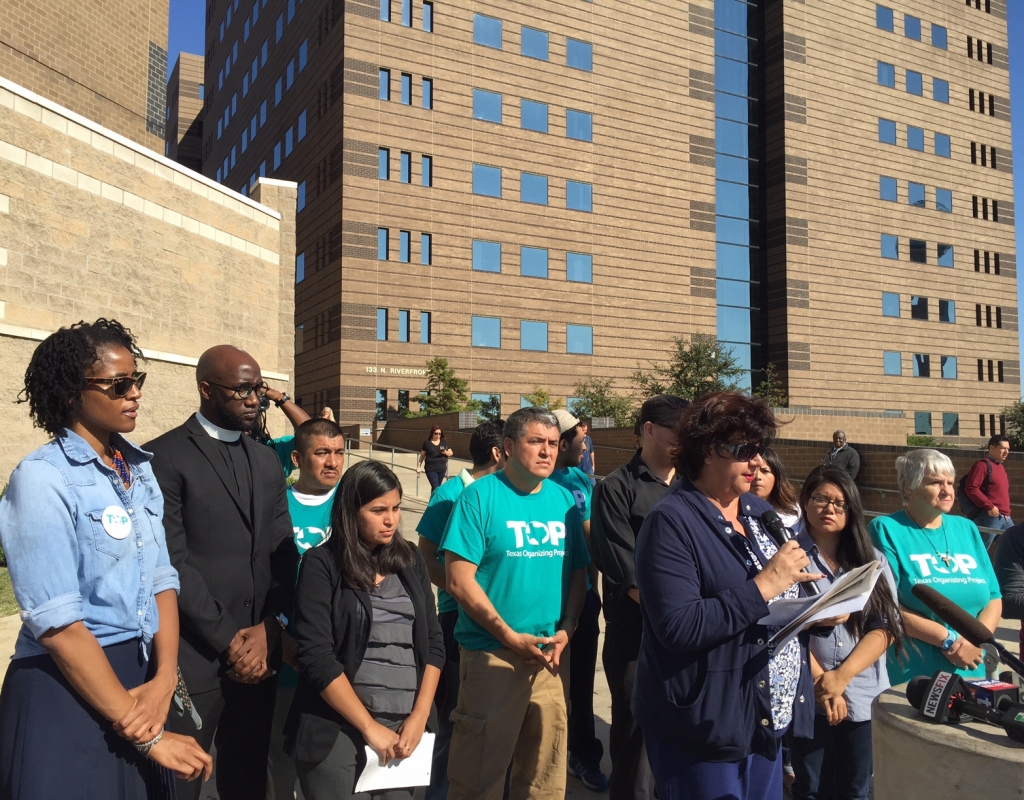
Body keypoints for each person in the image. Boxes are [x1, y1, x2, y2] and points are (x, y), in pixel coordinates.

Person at [0, 319, 212, 798]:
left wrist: (162, 678)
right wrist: (151, 736)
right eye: (119, 384)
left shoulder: (138, 472)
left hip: (141, 683)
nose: (134, 393)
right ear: (72, 392)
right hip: (66, 690)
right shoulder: (41, 479)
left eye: (137, 380)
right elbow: (57, 626)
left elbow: (162, 580)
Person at [633, 391, 821, 800]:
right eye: (744, 450)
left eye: (760, 449)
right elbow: (678, 627)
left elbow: (788, 586)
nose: (757, 461)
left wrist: (821, 606)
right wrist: (763, 587)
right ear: (705, 450)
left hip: (764, 715)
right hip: (705, 726)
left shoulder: (755, 510)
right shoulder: (670, 522)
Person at [146, 345, 299, 800]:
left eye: (258, 390)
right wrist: (231, 639)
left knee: (247, 778)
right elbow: (172, 563)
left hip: (261, 651)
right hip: (194, 653)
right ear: (206, 389)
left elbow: (283, 551)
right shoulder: (164, 457)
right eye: (243, 390)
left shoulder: (266, 460)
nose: (255, 399)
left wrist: (273, 626)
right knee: (182, 783)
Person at [439, 407, 590, 800]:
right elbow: (457, 579)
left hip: (549, 660)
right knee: (476, 781)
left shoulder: (563, 501)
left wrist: (567, 628)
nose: (547, 452)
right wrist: (509, 636)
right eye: (536, 441)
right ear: (507, 447)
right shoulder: (478, 498)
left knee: (544, 781)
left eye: (554, 444)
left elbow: (578, 572)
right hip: (492, 658)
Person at [286, 461, 444, 799]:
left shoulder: (410, 559)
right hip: (339, 729)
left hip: (406, 729)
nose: (391, 519)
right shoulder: (321, 565)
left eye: (396, 508)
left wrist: (420, 716)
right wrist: (369, 727)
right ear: (351, 511)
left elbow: (433, 642)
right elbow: (317, 657)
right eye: (378, 510)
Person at [591, 393, 687, 800]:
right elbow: (625, 572)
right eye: (677, 431)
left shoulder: (692, 487)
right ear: (649, 430)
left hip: (687, 636)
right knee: (635, 736)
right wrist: (684, 616)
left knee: (679, 738)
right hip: (637, 637)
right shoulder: (615, 489)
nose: (685, 439)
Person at [789, 468, 903, 800]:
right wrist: (825, 686)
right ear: (805, 501)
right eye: (821, 499)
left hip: (863, 694)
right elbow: (782, 628)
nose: (829, 509)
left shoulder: (872, 560)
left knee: (857, 789)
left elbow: (885, 627)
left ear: (852, 510)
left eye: (840, 503)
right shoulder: (787, 556)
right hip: (807, 694)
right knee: (810, 788)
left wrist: (842, 678)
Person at [416, 420, 506, 800]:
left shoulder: (508, 494)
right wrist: (465, 594)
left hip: (502, 622)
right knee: (456, 713)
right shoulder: (451, 494)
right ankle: (440, 791)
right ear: (500, 452)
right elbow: (426, 556)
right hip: (458, 618)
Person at [868, 449, 1002, 686]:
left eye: (950, 482)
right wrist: (949, 640)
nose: (947, 490)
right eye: (936, 482)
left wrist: (975, 641)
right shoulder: (886, 529)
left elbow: (993, 596)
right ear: (909, 486)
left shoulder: (967, 528)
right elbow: (885, 605)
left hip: (975, 671)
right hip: (916, 677)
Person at [267, 418, 347, 800]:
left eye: (338, 452)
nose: (332, 462)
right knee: (277, 760)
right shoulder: (274, 505)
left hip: (339, 656)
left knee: (330, 761)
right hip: (285, 653)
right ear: (297, 457)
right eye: (322, 453)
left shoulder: (354, 504)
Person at [549, 409, 608, 792]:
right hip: (545, 605)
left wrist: (593, 593)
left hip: (582, 597)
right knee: (550, 687)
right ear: (562, 443)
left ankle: (583, 754)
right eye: (579, 439)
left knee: (582, 686)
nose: (585, 445)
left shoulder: (579, 481)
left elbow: (590, 542)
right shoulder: (538, 483)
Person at [962, 434, 1014, 532]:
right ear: (992, 448)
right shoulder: (982, 466)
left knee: (1013, 546)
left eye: (1008, 449)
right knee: (981, 546)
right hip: (990, 516)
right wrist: (989, 506)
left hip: (1006, 518)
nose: (1006, 452)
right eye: (1003, 448)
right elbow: (971, 488)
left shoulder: (1000, 467)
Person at [751, 447, 804, 533]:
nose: (758, 477)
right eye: (752, 471)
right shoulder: (732, 511)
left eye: (765, 471)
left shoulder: (793, 512)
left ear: (776, 477)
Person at [417, 425, 454, 493]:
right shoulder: (427, 443)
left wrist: (445, 452)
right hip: (431, 469)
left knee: (437, 487)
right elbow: (422, 455)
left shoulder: (443, 442)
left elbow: (451, 453)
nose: (438, 435)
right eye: (436, 433)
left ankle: (432, 502)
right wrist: (419, 466)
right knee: (435, 487)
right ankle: (434, 503)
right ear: (432, 433)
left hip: (441, 469)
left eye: (439, 434)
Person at [579, 417, 596, 483]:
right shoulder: (577, 438)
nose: (584, 428)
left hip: (588, 466)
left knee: (592, 483)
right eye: (583, 426)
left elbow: (591, 452)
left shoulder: (588, 438)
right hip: (579, 466)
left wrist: (593, 464)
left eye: (585, 426)